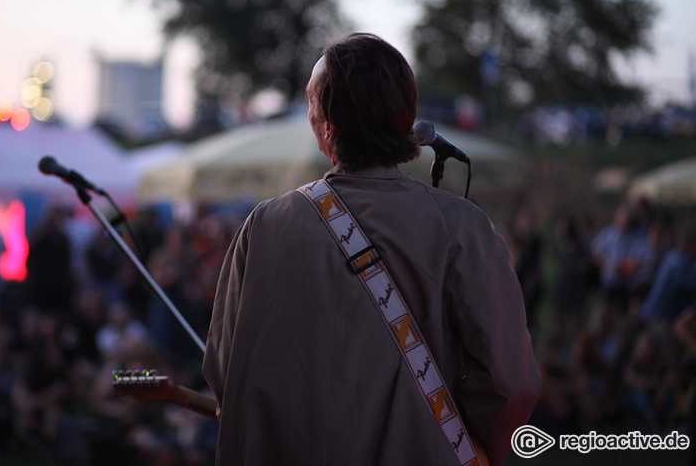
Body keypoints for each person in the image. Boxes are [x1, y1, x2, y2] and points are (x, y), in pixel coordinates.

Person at [202, 33, 539, 466]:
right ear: (407, 119)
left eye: (311, 104)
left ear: (327, 124)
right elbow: (509, 382)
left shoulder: (264, 227)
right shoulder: (462, 227)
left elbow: (223, 372)